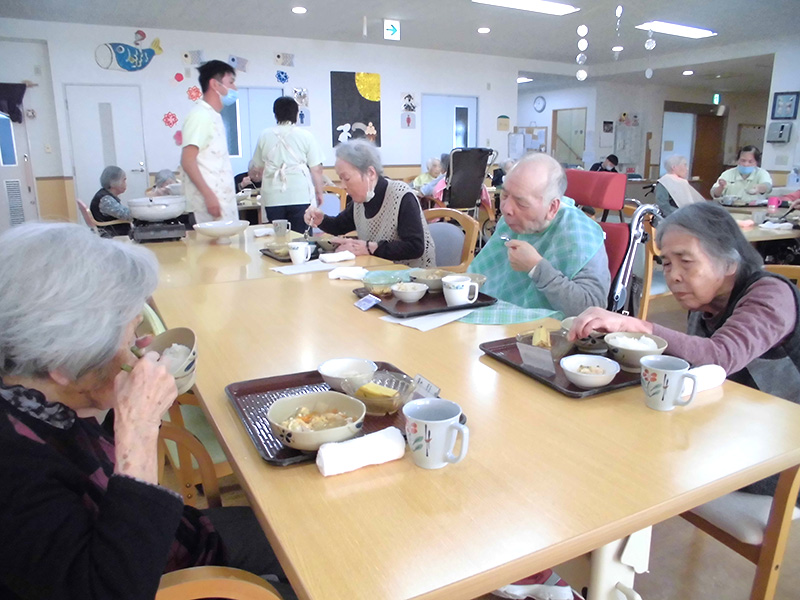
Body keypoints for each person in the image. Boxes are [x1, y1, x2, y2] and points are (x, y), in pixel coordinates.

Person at [0, 223, 297, 600]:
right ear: (64, 360)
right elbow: (114, 588)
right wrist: (138, 427)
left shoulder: (34, 401)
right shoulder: (16, 473)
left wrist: (122, 402)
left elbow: (94, 464)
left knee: (296, 527)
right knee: (312, 562)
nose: (138, 348)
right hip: (160, 573)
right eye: (127, 337)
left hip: (177, 535)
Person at [468, 153, 610, 317]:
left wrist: (537, 268)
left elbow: (591, 309)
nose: (506, 208)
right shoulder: (510, 223)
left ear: (552, 208)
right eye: (505, 195)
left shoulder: (580, 235)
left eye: (521, 203)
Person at [303, 140, 435, 267]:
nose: (342, 186)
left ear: (370, 173)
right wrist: (321, 220)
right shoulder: (361, 200)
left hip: (412, 280)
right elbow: (339, 225)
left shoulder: (401, 195)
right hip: (378, 273)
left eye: (347, 178)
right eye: (340, 179)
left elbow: (415, 247)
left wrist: (368, 247)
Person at [250, 96, 325, 232]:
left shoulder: (264, 135)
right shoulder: (305, 136)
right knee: (301, 237)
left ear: (275, 114)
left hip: (273, 196)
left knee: (277, 238)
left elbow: (257, 169)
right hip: (300, 195)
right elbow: (316, 169)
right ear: (296, 114)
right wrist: (319, 192)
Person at [180, 59, 238, 224]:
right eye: (231, 82)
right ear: (215, 84)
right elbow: (187, 160)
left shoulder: (214, 116)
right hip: (206, 206)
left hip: (221, 202)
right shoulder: (200, 115)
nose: (235, 88)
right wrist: (209, 196)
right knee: (212, 250)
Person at [89, 165, 131, 237]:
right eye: (124, 180)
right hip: (110, 233)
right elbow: (126, 215)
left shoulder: (103, 194)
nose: (126, 184)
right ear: (114, 182)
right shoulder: (106, 200)